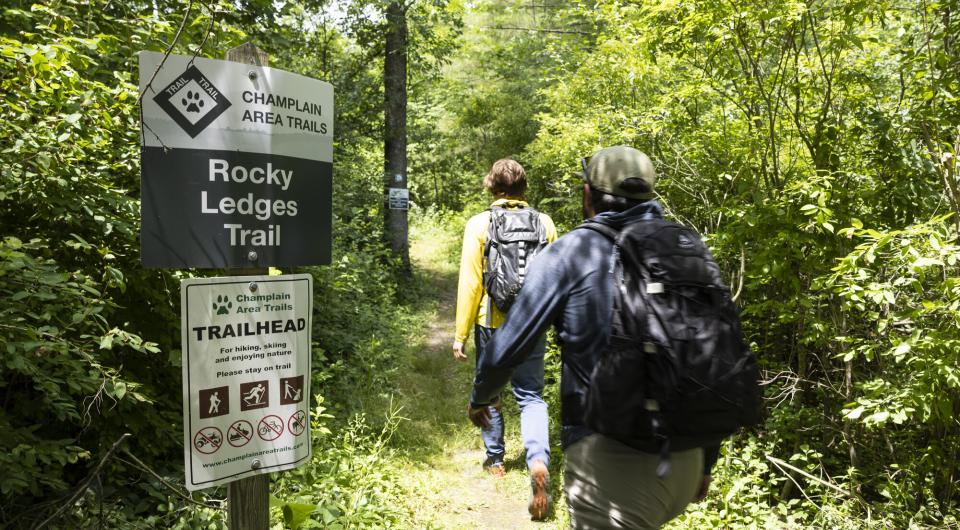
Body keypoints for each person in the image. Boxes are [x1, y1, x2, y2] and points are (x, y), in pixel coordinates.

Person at [469, 146, 728, 529]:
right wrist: (707, 459)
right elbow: (711, 361)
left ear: (589, 195)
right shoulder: (690, 250)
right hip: (684, 455)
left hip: (612, 460)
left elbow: (508, 346)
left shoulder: (572, 252)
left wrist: (482, 396)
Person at [453, 158, 558, 520]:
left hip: (492, 323)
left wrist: (460, 335)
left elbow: (471, 284)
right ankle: (539, 461)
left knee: (491, 391)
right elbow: (554, 279)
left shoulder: (480, 223)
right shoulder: (544, 222)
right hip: (532, 323)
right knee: (531, 396)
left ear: (491, 186)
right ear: (524, 187)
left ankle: (495, 460)